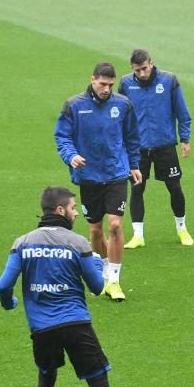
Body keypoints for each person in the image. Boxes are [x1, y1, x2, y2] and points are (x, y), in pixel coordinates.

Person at [0, 186, 133, 387]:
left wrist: (9, 302)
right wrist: (96, 265)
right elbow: (97, 288)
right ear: (60, 211)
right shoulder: (78, 243)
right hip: (75, 323)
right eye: (73, 208)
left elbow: (3, 284)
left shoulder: (22, 242)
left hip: (42, 329)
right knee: (99, 383)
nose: (75, 213)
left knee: (46, 377)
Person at [54, 62, 142, 302]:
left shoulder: (123, 104)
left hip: (115, 174)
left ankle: (114, 280)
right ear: (92, 79)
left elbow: (132, 137)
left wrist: (134, 165)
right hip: (89, 176)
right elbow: (62, 136)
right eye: (102, 84)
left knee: (114, 226)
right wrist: (71, 156)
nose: (106, 89)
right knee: (95, 229)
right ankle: (103, 271)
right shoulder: (74, 105)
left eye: (110, 85)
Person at [118, 49, 194, 248]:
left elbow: (182, 111)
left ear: (151, 63)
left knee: (174, 187)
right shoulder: (126, 84)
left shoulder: (168, 80)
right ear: (132, 68)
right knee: (137, 189)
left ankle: (182, 228)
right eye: (137, 70)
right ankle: (138, 235)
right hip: (138, 149)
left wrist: (185, 139)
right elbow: (120, 116)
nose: (142, 73)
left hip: (165, 146)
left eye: (144, 68)